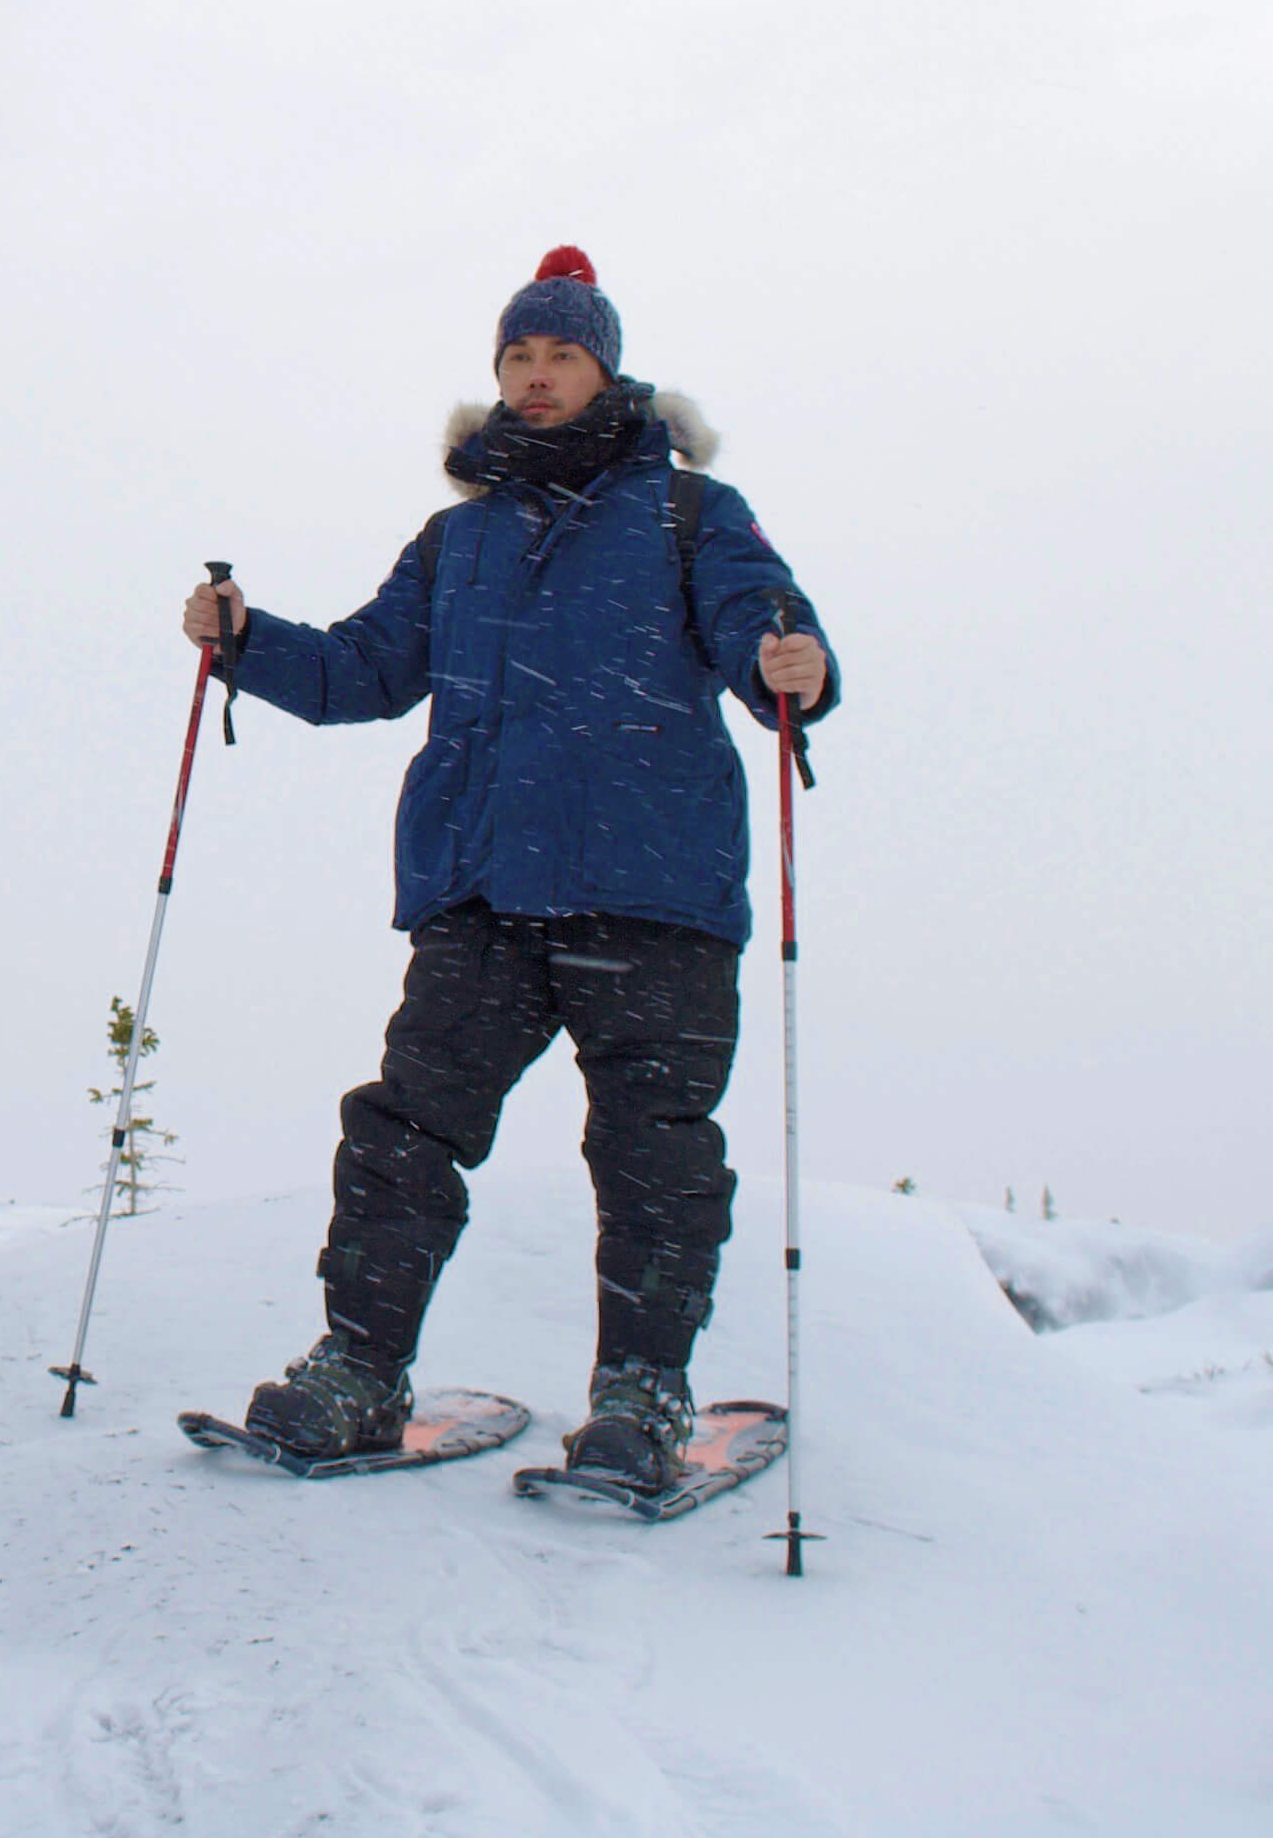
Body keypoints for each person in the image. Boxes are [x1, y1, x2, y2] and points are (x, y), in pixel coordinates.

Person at [190, 247, 836, 1488]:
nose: (536, 378)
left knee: (652, 1151)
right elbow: (360, 676)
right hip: (483, 896)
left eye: (561, 355)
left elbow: (763, 618)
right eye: (517, 358)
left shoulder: (691, 514)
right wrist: (244, 642)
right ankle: (356, 1373)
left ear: (606, 369)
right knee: (402, 1133)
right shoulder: (457, 541)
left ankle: (640, 1394)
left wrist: (787, 662)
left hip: (653, 899)